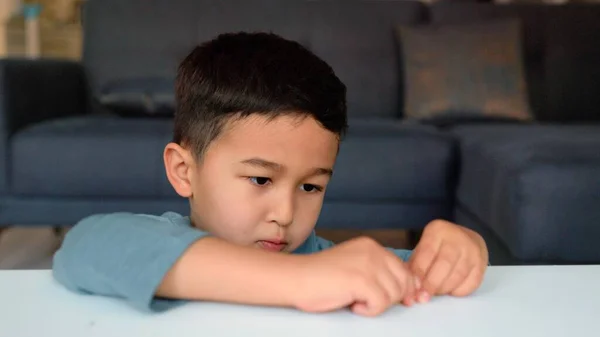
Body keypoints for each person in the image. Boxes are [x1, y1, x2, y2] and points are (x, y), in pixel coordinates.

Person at [52, 32, 489, 317]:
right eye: (261, 179)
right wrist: (302, 280)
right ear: (184, 171)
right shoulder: (158, 247)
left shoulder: (335, 266)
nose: (285, 212)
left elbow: (419, 280)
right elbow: (84, 245)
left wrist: (459, 250)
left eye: (311, 186)